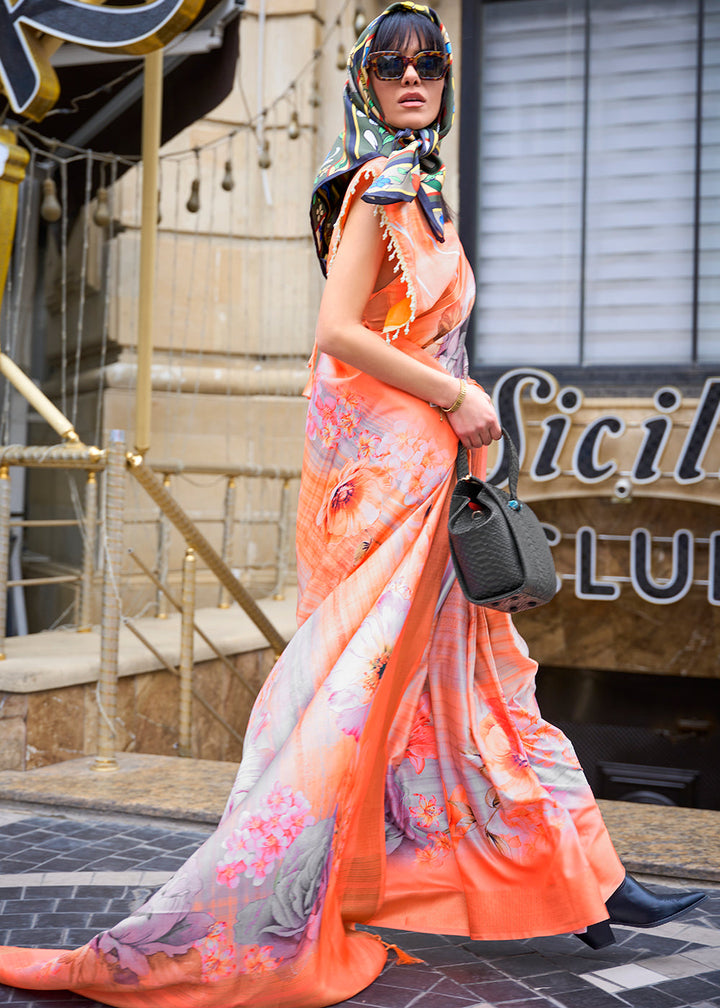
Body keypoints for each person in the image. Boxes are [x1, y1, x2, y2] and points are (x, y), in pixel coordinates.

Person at [0, 4, 706, 1006]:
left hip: (430, 472)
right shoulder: (378, 186)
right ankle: (269, 903)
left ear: (446, 80)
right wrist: (458, 396)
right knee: (361, 705)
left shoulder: (421, 188)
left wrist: (465, 415)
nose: (410, 78)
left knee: (475, 695)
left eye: (428, 64)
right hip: (394, 487)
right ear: (367, 80)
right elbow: (337, 335)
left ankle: (591, 888)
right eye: (390, 64)